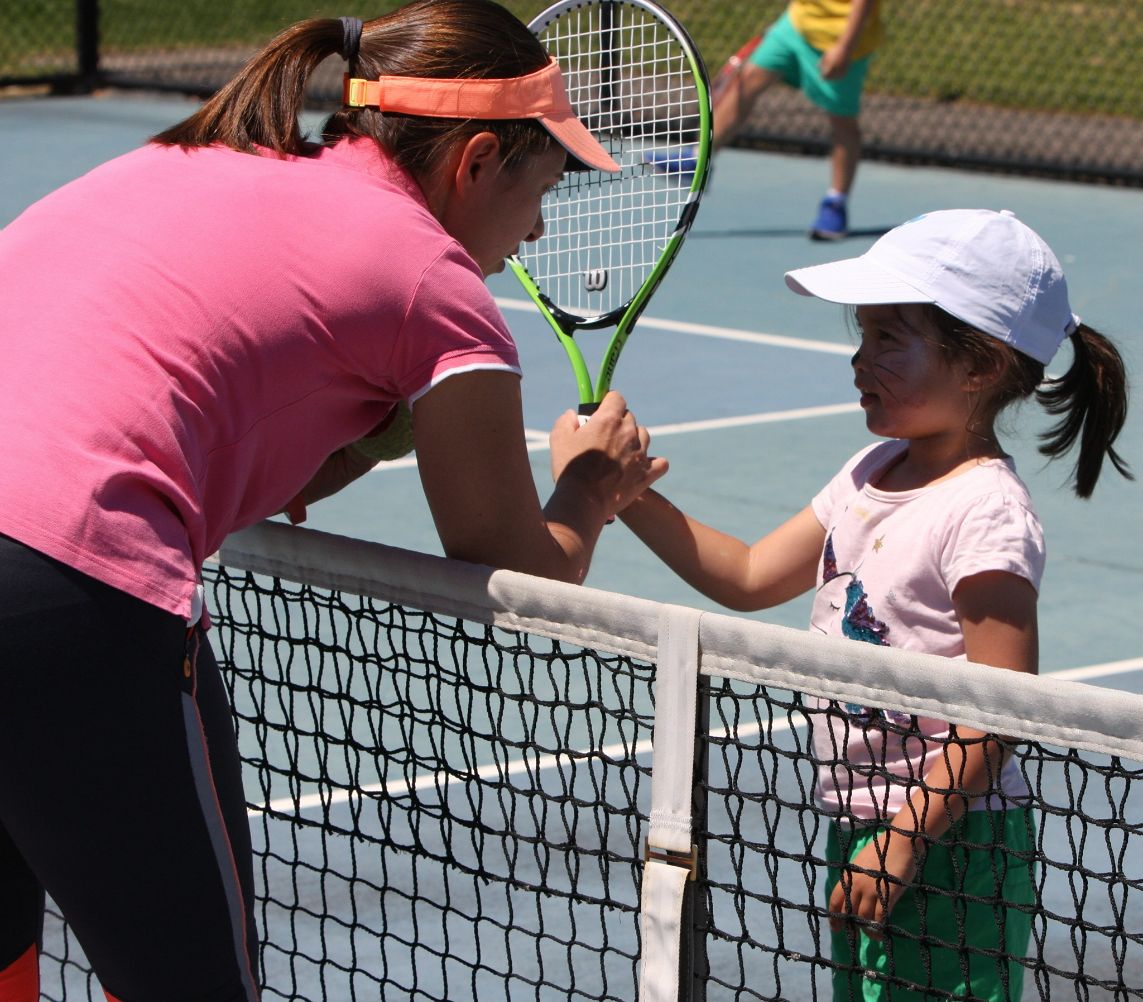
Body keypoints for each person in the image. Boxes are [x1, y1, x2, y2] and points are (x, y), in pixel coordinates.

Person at [0, 2, 668, 999]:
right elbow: (516, 566)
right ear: (478, 160)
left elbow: (226, 428)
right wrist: (589, 485)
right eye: (546, 189)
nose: (534, 229)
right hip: (68, 596)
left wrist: (367, 441)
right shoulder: (432, 282)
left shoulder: (208, 154)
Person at [618, 209, 1131, 999]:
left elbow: (999, 708)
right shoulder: (870, 469)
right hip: (861, 824)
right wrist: (622, 494)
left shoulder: (984, 513)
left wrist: (907, 835)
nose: (860, 360)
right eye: (861, 336)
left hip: (953, 838)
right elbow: (752, 574)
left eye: (889, 338)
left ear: (980, 366)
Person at [651, 0, 882, 240]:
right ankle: (698, 158)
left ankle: (836, 202)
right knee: (747, 80)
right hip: (796, 24)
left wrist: (845, 48)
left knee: (842, 122)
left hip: (840, 40)